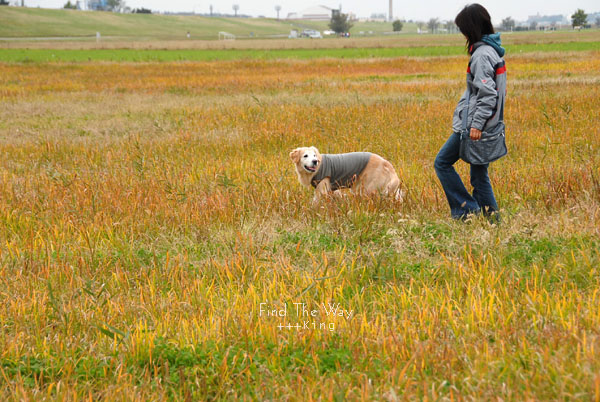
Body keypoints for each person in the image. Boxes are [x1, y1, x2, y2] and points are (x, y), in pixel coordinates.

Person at [434, 3, 506, 221]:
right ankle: (492, 219)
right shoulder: (492, 50)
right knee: (479, 174)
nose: (463, 33)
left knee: (442, 163)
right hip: (489, 124)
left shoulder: (482, 55)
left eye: (463, 28)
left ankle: (466, 209)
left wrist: (476, 125)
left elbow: (487, 94)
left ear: (471, 27)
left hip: (476, 127)